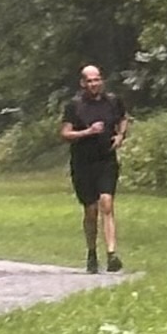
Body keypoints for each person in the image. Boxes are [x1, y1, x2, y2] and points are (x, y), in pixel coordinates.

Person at [60, 61, 126, 273]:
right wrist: (87, 132)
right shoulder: (75, 105)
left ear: (102, 80)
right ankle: (91, 253)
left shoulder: (113, 101)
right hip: (83, 163)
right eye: (89, 81)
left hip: (106, 159)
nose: (94, 84)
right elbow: (65, 133)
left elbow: (123, 119)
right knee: (91, 211)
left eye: (97, 80)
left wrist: (120, 136)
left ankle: (112, 254)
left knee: (107, 203)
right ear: (82, 83)